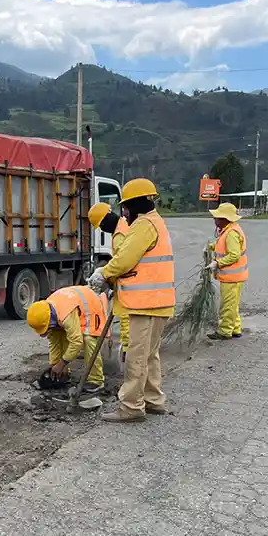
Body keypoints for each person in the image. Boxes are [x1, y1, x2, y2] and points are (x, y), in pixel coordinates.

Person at [88, 178, 175, 423]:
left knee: (137, 355)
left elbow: (126, 258)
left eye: (126, 206)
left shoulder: (144, 225)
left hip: (145, 303)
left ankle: (131, 407)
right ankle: (153, 399)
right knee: (149, 354)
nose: (124, 212)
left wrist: (103, 273)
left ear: (137, 203)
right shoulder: (157, 223)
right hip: (158, 302)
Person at [26, 285, 109, 394]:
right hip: (75, 306)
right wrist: (54, 366)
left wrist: (61, 364)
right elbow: (54, 342)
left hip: (92, 308)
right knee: (60, 334)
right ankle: (64, 375)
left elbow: (76, 343)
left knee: (88, 339)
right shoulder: (46, 311)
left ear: (49, 320)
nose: (44, 334)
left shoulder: (65, 315)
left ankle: (96, 380)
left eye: (45, 329)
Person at [88, 202, 131, 361]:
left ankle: (128, 353)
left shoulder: (120, 234)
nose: (102, 230)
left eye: (101, 226)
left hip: (129, 287)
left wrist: (104, 275)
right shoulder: (122, 227)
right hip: (125, 284)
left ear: (106, 220)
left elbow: (122, 263)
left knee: (126, 317)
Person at [206, 202, 249, 340]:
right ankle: (235, 328)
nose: (215, 220)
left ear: (226, 219)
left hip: (233, 277)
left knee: (227, 306)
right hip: (234, 277)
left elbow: (234, 255)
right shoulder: (229, 230)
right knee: (232, 304)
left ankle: (225, 331)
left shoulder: (231, 233)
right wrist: (211, 247)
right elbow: (222, 245)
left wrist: (217, 263)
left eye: (217, 217)